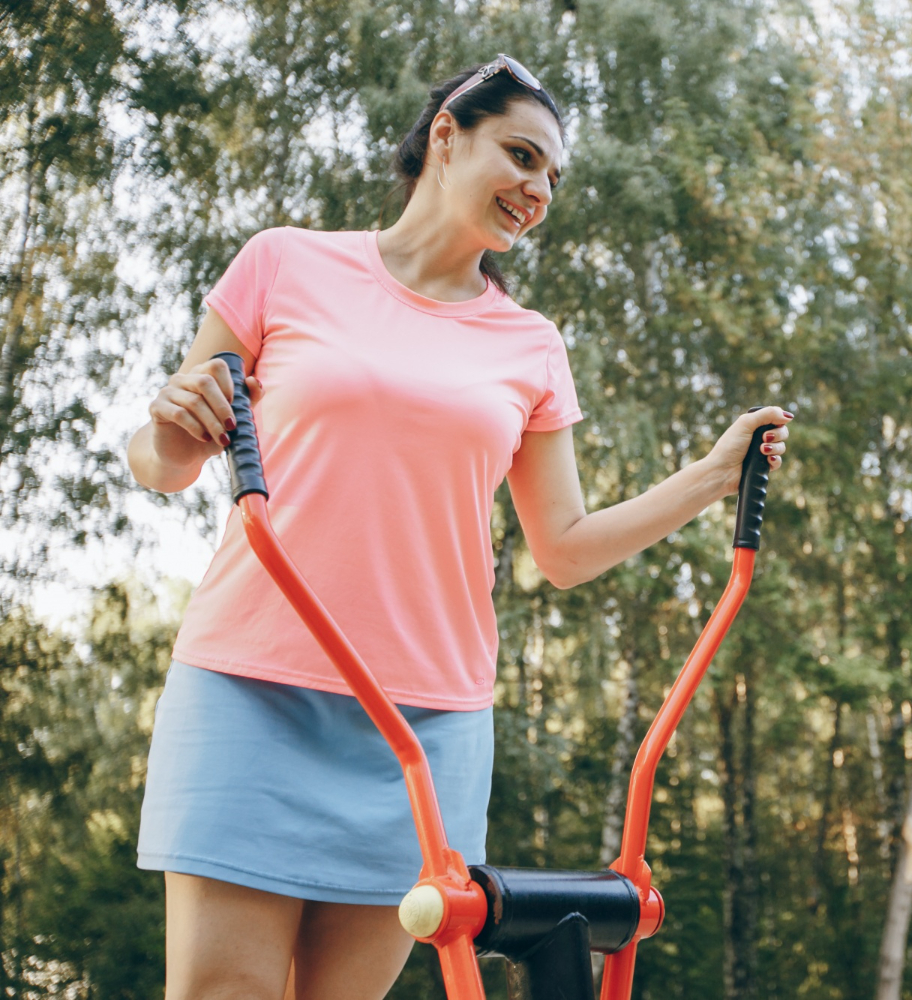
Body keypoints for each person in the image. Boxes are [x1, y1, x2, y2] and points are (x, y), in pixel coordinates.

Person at [127, 55, 793, 1000]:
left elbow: (561, 549)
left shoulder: (529, 343)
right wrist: (163, 425)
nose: (537, 189)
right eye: (521, 156)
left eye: (553, 177)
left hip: (424, 718)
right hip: (250, 684)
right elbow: (167, 464)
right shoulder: (284, 263)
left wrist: (712, 476)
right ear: (447, 135)